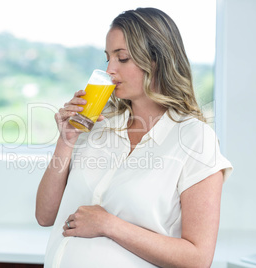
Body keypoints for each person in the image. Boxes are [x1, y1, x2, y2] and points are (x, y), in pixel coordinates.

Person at [36, 7, 232, 268]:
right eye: (108, 58)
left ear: (158, 60)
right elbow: (45, 215)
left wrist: (109, 225)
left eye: (123, 58)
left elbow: (197, 259)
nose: (110, 70)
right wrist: (66, 141)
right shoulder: (97, 127)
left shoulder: (195, 139)